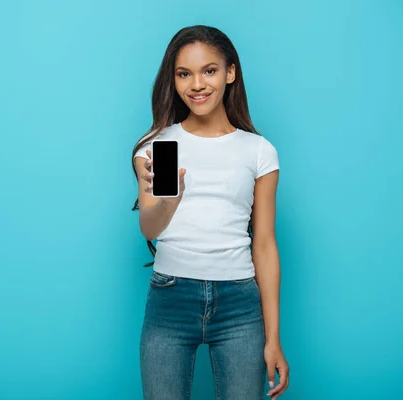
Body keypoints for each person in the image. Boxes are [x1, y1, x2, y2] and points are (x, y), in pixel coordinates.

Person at [131, 25, 290, 400]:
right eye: (184, 73)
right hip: (170, 299)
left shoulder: (258, 151)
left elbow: (264, 244)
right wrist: (170, 202)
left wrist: (273, 338)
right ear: (173, 79)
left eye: (209, 71)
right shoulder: (159, 145)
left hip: (239, 306)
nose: (197, 84)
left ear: (230, 73)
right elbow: (148, 229)